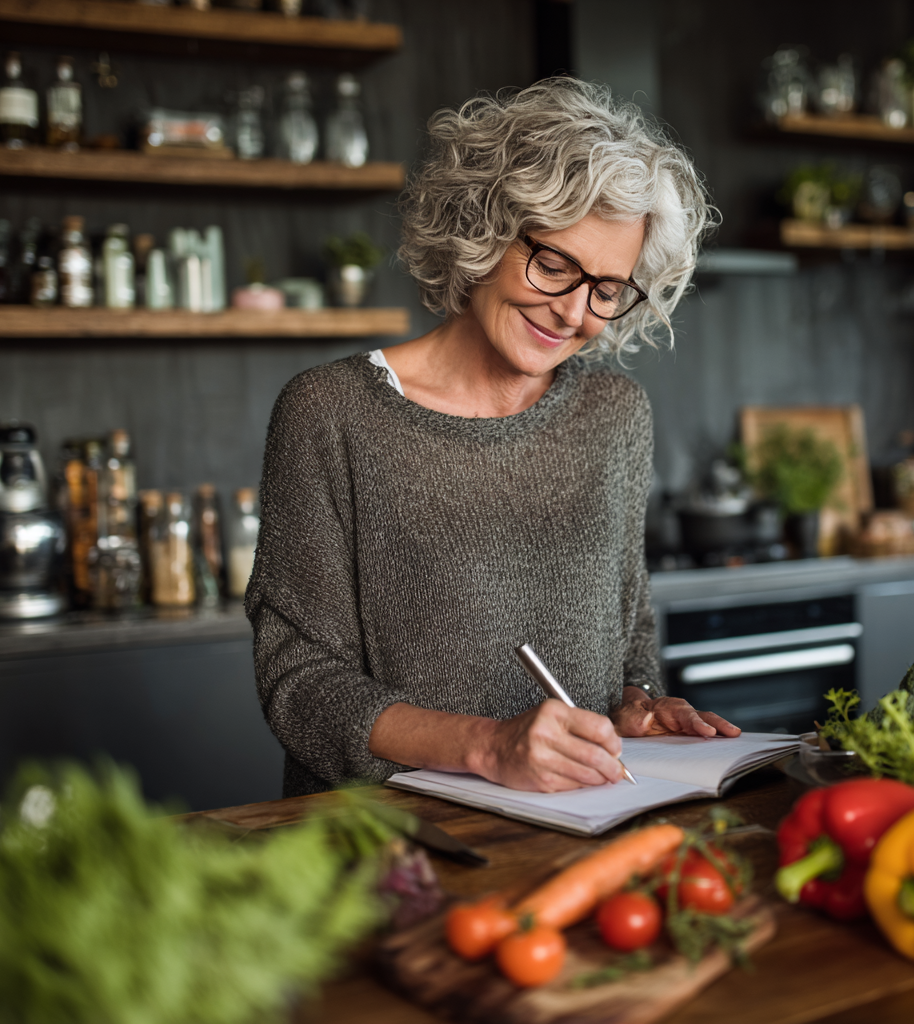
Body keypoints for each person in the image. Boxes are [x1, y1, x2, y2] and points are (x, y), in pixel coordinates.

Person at [247, 78, 740, 799]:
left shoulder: (616, 414)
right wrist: (487, 746)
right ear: (482, 229)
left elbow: (629, 632)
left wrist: (637, 703)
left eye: (606, 289)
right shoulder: (329, 412)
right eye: (554, 264)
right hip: (388, 842)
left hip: (583, 825)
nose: (573, 312)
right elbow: (299, 681)